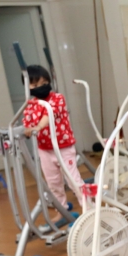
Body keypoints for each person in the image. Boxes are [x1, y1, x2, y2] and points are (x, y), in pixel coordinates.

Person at [22, 65, 84, 230]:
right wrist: (28, 130)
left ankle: (88, 210)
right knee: (54, 184)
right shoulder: (30, 106)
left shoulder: (57, 98)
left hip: (63, 147)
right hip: (45, 150)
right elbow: (27, 125)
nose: (40, 88)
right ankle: (61, 211)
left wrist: (37, 128)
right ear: (27, 88)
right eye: (34, 86)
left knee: (74, 181)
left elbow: (47, 116)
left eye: (43, 83)